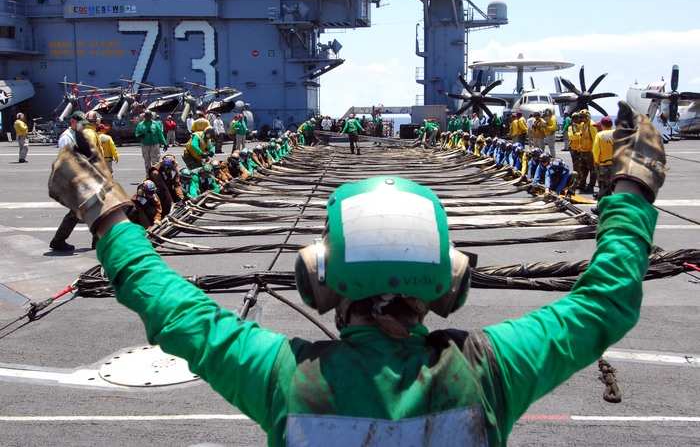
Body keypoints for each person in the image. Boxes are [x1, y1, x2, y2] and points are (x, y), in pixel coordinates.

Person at [47, 101, 666, 446]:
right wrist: (633, 189)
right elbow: (605, 303)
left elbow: (171, 306)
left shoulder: (285, 376)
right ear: (448, 282)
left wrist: (109, 218)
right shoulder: (490, 370)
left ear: (320, 277)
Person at [49, 111, 86, 252]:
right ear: (73, 122)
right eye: (81, 123)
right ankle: (58, 240)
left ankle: (58, 240)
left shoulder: (76, 135)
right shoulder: (66, 137)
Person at [593, 116, 615, 201]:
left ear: (602, 125)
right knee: (615, 187)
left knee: (604, 186)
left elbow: (596, 151)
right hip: (616, 165)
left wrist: (596, 162)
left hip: (604, 165)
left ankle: (600, 207)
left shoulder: (599, 135)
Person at [577, 110, 599, 193]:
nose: (580, 119)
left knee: (592, 170)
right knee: (583, 169)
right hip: (583, 151)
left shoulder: (592, 125)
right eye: (580, 117)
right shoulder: (583, 125)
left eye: (582, 117)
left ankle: (591, 186)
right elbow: (581, 137)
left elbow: (595, 140)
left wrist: (594, 153)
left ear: (587, 117)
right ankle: (582, 184)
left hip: (590, 152)